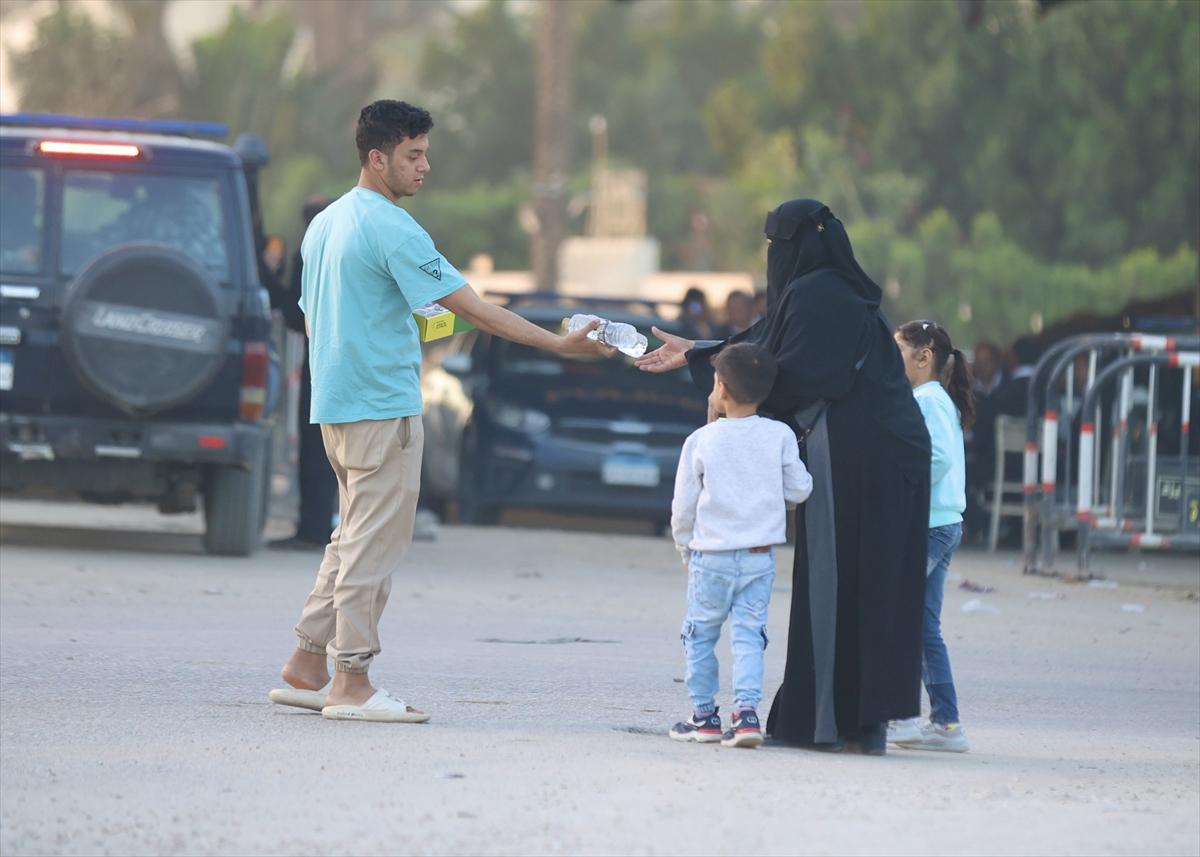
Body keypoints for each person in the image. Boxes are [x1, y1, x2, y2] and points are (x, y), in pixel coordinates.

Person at [270, 100, 612, 724]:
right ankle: (352, 683)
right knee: (373, 547)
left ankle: (306, 664)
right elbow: (476, 309)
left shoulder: (326, 223)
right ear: (378, 159)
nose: (426, 166)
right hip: (381, 408)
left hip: (337, 407)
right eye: (413, 155)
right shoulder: (394, 227)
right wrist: (559, 342)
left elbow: (362, 313)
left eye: (425, 153)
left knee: (351, 538)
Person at [638, 199, 930, 755]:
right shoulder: (822, 292)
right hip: (874, 458)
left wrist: (724, 400)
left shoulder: (821, 296)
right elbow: (763, 344)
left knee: (841, 586)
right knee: (860, 589)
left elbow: (778, 371)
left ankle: (831, 723)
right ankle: (852, 724)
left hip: (868, 461)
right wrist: (701, 354)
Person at [668, 343, 813, 749]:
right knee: (749, 636)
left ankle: (704, 718)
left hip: (709, 558)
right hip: (758, 558)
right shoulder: (780, 434)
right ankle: (746, 716)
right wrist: (771, 498)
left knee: (700, 636)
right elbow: (800, 489)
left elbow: (683, 509)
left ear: (721, 388)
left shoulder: (701, 440)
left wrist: (685, 548)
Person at [889, 320, 973, 753]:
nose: (892, 357)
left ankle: (900, 719)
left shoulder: (928, 400)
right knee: (923, 626)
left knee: (896, 617)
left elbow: (934, 457)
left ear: (924, 356)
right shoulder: (932, 399)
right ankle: (946, 724)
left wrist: (901, 492)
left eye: (898, 349)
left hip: (930, 525)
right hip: (942, 524)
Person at [266, 196, 337, 551]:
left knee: (315, 448)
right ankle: (325, 526)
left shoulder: (309, 252)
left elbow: (297, 316)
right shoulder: (353, 250)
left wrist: (269, 274)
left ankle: (313, 528)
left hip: (320, 363)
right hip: (354, 361)